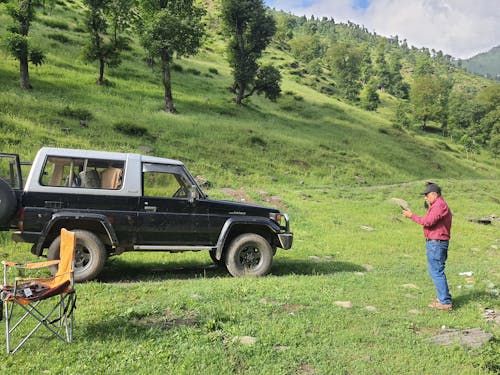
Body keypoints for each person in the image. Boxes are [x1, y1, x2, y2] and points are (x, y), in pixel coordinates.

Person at [402, 183, 453, 310]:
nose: (425, 197)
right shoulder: (438, 205)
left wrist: (411, 216)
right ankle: (443, 297)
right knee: (437, 271)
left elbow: (428, 222)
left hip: (436, 243)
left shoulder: (439, 205)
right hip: (437, 242)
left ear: (434, 194)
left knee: (436, 272)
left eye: (427, 195)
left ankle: (445, 302)